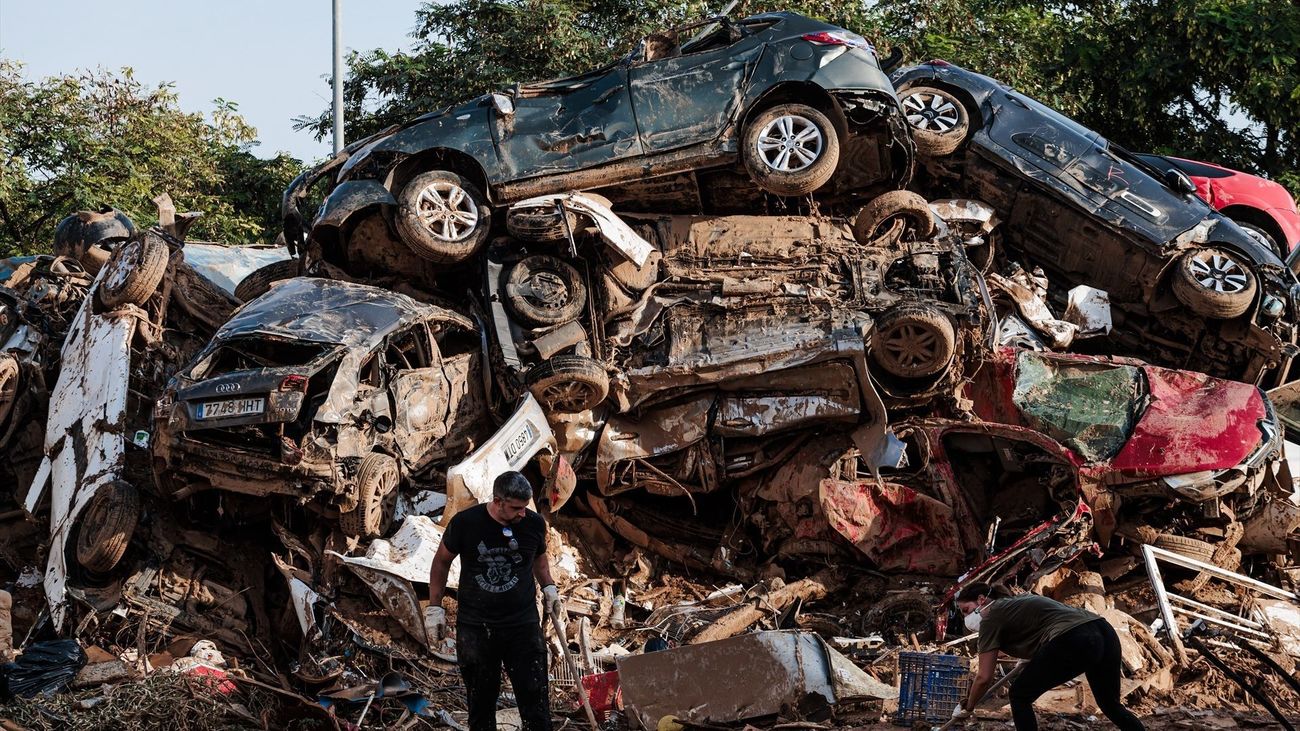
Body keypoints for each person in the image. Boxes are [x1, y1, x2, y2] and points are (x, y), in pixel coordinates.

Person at [425, 471, 562, 731]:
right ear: (498, 501)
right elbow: (441, 561)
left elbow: (539, 559)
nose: (523, 513)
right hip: (477, 629)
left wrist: (549, 587)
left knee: (536, 703)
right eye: (516, 508)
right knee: (481, 706)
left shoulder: (533, 524)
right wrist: (434, 607)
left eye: (525, 506)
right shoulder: (466, 523)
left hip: (522, 626)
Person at [953, 582, 1144, 731]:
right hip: (1104, 631)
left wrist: (968, 707)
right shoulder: (1015, 603)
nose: (966, 618)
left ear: (981, 600)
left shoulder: (991, 617)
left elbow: (983, 677)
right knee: (1111, 705)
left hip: (1074, 638)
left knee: (1019, 695)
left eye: (966, 610)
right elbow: (1039, 630)